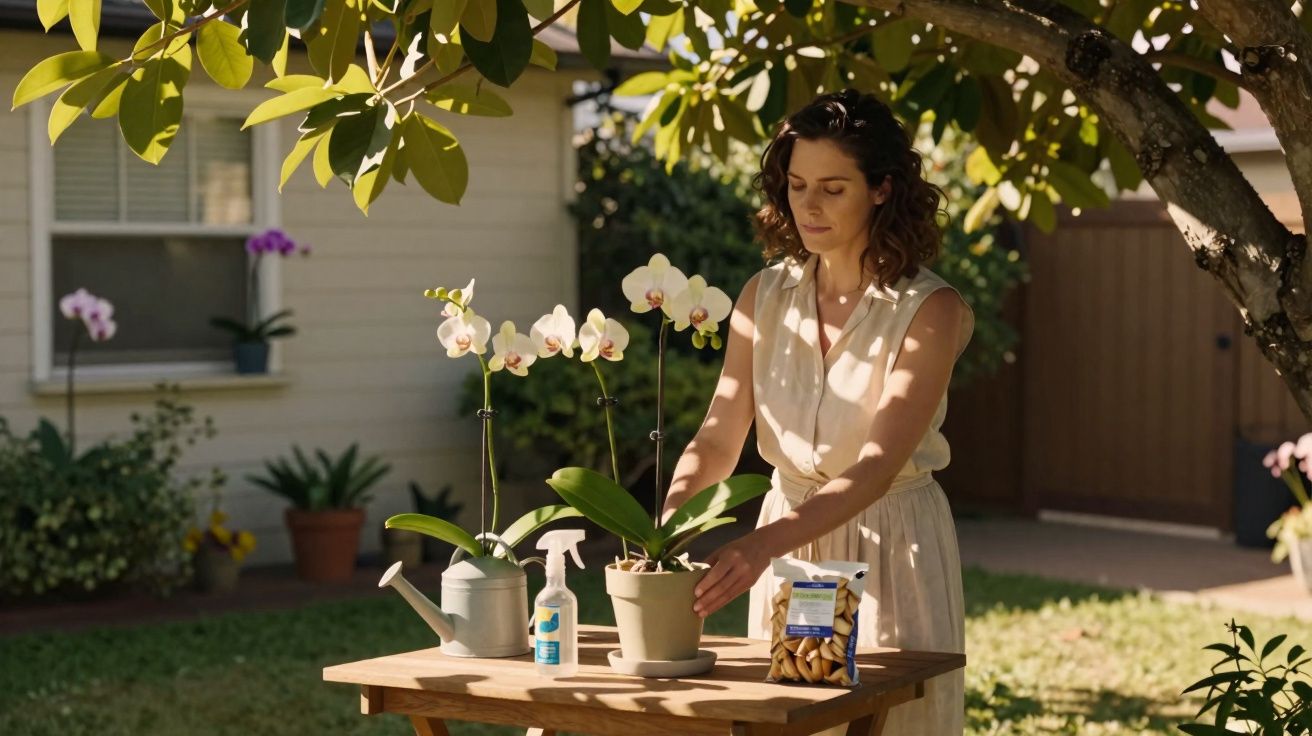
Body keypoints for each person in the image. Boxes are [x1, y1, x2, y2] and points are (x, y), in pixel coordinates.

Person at [660, 88, 974, 736]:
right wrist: (670, 528)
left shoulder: (928, 310)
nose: (808, 204)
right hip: (797, 548)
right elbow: (720, 433)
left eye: (833, 188)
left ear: (882, 189)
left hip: (890, 543)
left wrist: (757, 547)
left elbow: (877, 465)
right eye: (798, 184)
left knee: (887, 725)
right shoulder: (764, 295)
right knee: (800, 720)